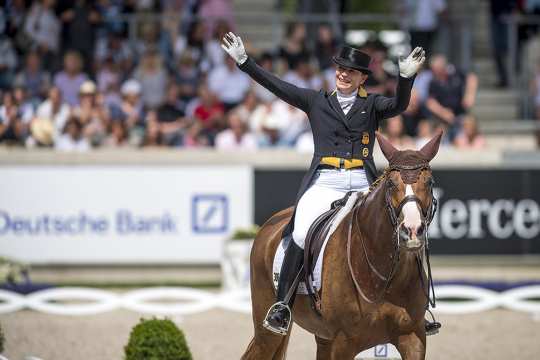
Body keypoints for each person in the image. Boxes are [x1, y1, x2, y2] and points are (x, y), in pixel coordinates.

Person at [221, 32, 440, 336]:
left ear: (362, 78)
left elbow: (400, 105)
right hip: (326, 180)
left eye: (350, 71)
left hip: (363, 182)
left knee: (402, 228)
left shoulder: (373, 105)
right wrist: (245, 62)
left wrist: (405, 77)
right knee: (300, 230)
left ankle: (417, 306)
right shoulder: (317, 101)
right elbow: (278, 86)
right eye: (339, 69)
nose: (342, 74)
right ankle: (283, 305)